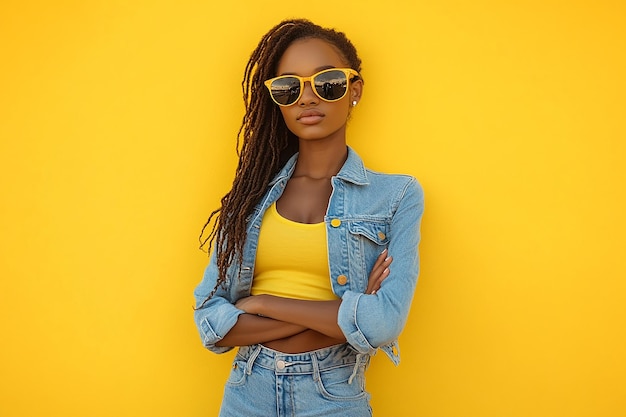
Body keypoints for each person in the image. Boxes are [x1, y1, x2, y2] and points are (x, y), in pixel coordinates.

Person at [193, 18, 424, 417]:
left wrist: (262, 302)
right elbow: (210, 321)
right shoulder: (249, 197)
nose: (307, 98)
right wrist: (344, 314)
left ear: (354, 91)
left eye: (327, 83)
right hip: (247, 390)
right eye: (289, 87)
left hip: (334, 394)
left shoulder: (397, 196)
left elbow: (383, 324)